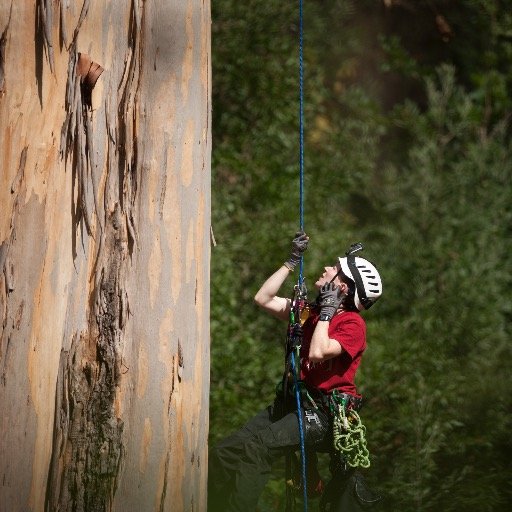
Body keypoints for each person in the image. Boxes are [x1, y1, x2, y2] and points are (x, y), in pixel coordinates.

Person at [208, 231, 383, 512]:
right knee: (225, 453)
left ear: (344, 287)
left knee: (259, 448)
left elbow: (317, 351)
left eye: (335, 269)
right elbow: (263, 298)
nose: (327, 268)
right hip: (295, 402)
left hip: (324, 414)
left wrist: (327, 312)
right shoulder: (310, 312)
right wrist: (291, 262)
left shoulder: (352, 325)